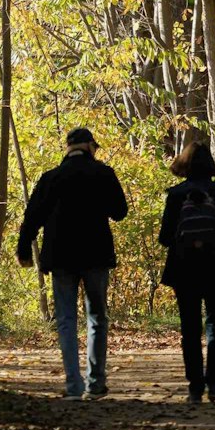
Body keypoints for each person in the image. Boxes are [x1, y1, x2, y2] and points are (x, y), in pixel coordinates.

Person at [17, 126, 128, 400]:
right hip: (95, 256)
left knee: (66, 319)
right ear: (90, 146)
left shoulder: (51, 178)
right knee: (97, 318)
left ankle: (73, 385)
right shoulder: (103, 174)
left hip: (61, 257)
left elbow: (32, 218)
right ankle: (96, 381)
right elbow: (120, 212)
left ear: (68, 148)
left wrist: (24, 250)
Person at [157, 140, 215, 404]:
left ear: (184, 164)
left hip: (184, 268)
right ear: (210, 165)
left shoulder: (175, 195)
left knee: (190, 327)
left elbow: (164, 238)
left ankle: (195, 387)